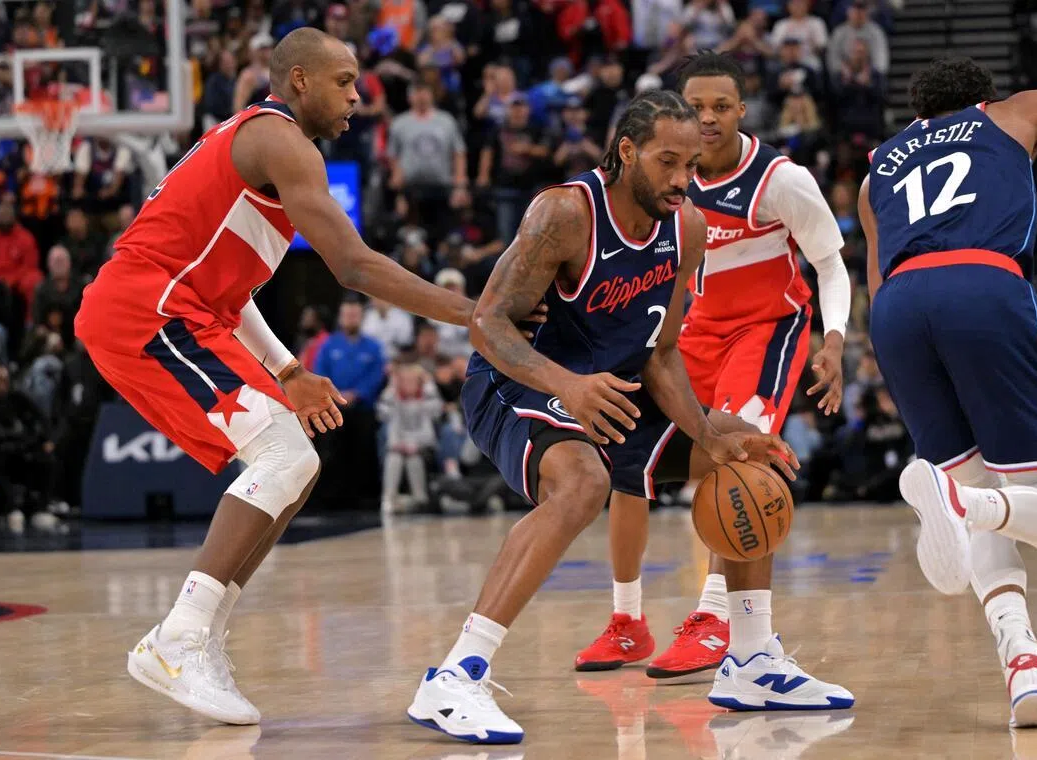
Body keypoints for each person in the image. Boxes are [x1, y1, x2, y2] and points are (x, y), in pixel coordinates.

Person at [74, 28, 496, 727]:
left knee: (296, 469)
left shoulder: (261, 150)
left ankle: (198, 638)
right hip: (148, 308)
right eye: (344, 81)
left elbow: (232, 294)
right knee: (285, 454)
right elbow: (354, 266)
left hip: (182, 310)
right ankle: (178, 638)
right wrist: (473, 314)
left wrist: (290, 368)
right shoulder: (281, 140)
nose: (357, 97)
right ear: (299, 79)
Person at [407, 89, 802, 745]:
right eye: (668, 162)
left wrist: (709, 436)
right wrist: (569, 385)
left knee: (746, 448)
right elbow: (486, 323)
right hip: (518, 381)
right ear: (627, 151)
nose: (682, 179)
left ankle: (752, 660)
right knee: (583, 482)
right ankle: (457, 674)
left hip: (614, 387)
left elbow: (663, 353)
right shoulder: (565, 213)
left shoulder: (687, 227)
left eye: (691, 164)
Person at [574, 53, 854, 707]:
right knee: (628, 463)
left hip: (766, 328)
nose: (707, 117)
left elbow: (831, 264)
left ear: (741, 111)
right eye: (695, 105)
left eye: (721, 106)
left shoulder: (781, 180)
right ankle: (626, 622)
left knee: (739, 460)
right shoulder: (663, 176)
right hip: (691, 332)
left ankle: (718, 618)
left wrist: (835, 339)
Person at [859, 55, 1037, 729]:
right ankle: (956, 501)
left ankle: (1025, 664)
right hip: (980, 285)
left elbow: (877, 282)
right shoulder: (1009, 115)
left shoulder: (877, 166)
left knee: (981, 509)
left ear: (918, 111)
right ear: (984, 97)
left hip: (897, 315)